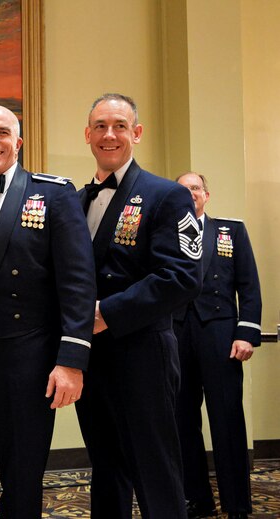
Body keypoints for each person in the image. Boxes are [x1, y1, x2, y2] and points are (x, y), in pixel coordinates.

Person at [0, 105, 97, 518]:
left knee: (23, 478)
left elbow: (78, 282)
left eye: (3, 132)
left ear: (19, 142)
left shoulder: (53, 194)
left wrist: (72, 360)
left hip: (27, 361)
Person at [74, 93, 202, 518]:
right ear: (87, 134)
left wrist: (105, 314)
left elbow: (182, 277)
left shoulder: (166, 196)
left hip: (142, 353)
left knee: (155, 470)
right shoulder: (75, 201)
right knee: (105, 470)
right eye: (101, 127)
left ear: (137, 133)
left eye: (120, 126)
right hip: (92, 359)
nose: (109, 135)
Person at [173, 172, 261, 519]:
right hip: (176, 334)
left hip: (221, 336)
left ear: (206, 195)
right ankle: (197, 499)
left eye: (195, 188)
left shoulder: (231, 231)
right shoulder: (163, 233)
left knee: (226, 419)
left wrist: (247, 333)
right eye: (182, 189)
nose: (190, 193)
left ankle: (237, 502)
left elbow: (248, 285)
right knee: (182, 421)